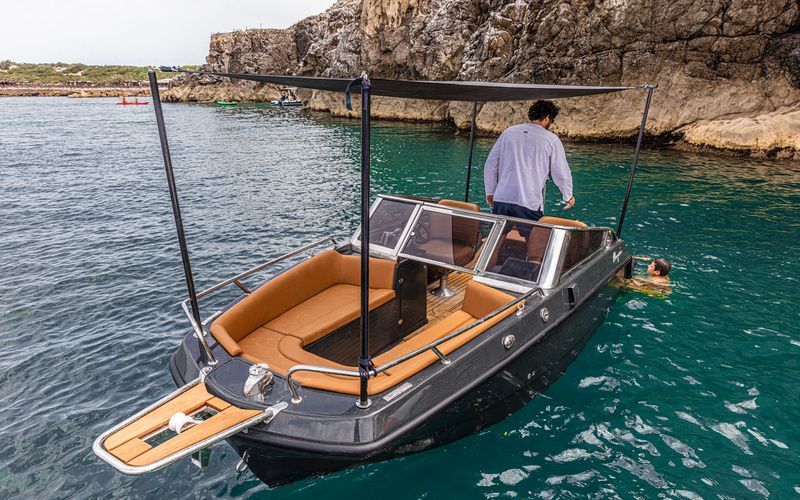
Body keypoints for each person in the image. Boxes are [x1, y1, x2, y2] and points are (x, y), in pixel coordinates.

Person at [484, 100, 575, 223]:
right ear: (547, 118)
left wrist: (490, 191)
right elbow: (561, 172)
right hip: (529, 201)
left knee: (498, 236)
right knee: (533, 239)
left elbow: (491, 164)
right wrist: (567, 195)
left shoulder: (508, 132)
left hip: (502, 198)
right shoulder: (551, 140)